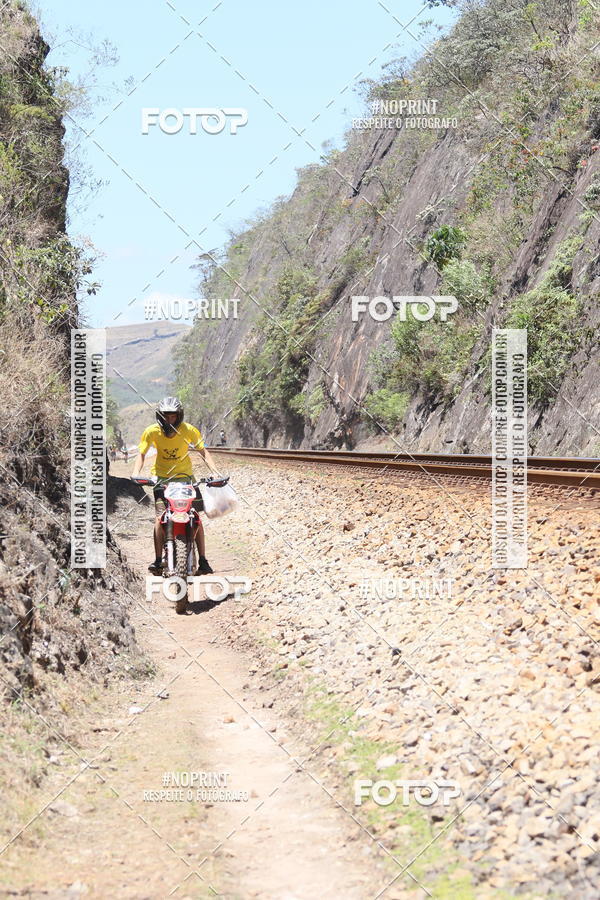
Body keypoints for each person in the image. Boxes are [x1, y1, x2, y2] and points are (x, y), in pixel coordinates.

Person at [131, 396, 220, 576]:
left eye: (173, 416)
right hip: (161, 480)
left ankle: (203, 560)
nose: (169, 420)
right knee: (159, 519)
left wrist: (215, 471)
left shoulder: (189, 430)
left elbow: (203, 451)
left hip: (186, 479)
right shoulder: (151, 432)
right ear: (159, 416)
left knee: (196, 518)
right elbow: (141, 453)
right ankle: (157, 560)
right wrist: (136, 473)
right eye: (165, 416)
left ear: (179, 416)